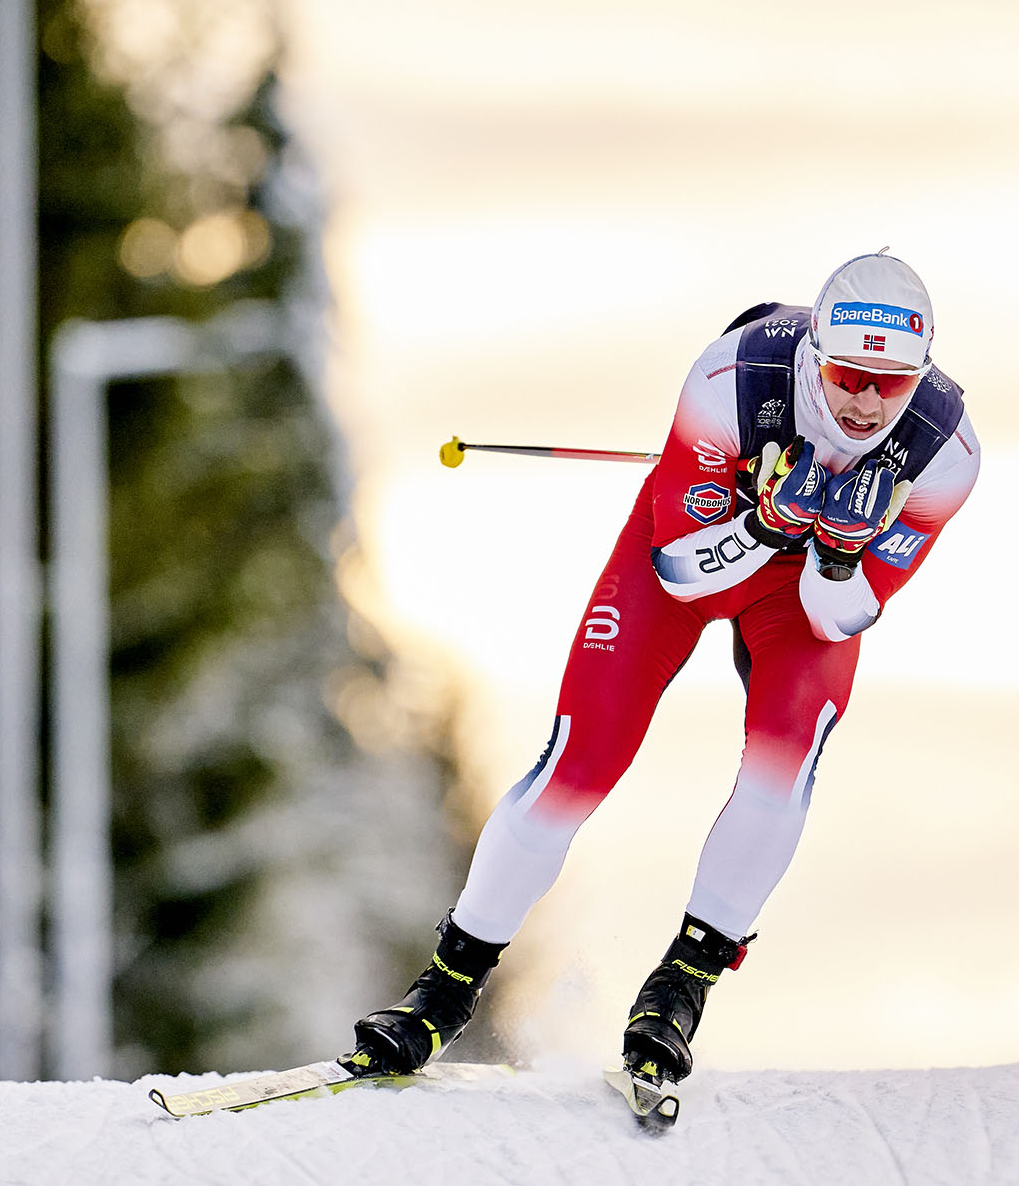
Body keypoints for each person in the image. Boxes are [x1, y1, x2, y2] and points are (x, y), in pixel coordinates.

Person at [349, 251, 983, 1103]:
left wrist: (834, 555)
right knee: (581, 759)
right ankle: (442, 991)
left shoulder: (944, 452)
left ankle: (681, 985)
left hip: (799, 602)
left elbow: (841, 614)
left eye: (891, 383)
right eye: (847, 374)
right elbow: (685, 574)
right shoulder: (730, 381)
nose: (867, 403)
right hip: (687, 559)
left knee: (783, 772)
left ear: (923, 373)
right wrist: (766, 522)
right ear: (814, 358)